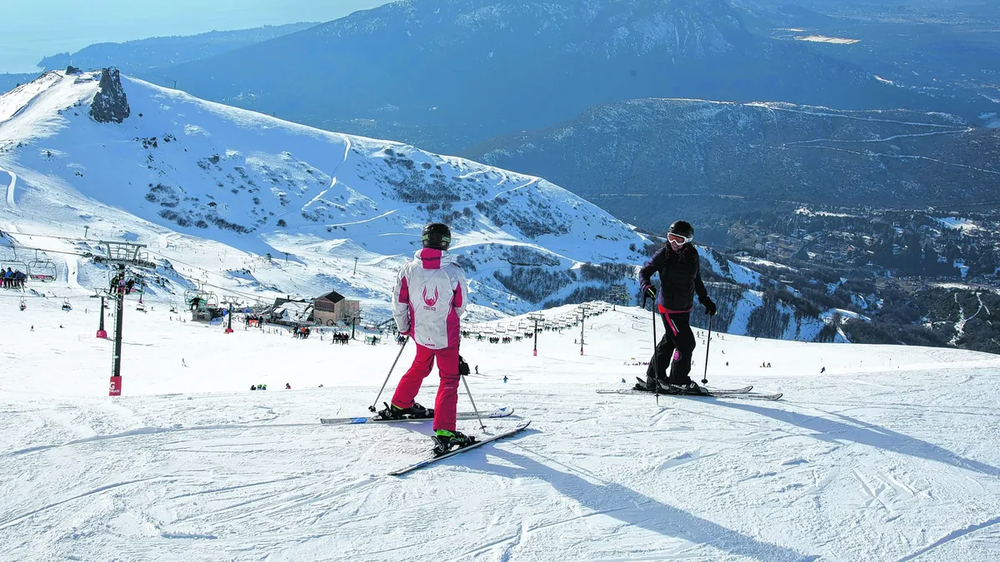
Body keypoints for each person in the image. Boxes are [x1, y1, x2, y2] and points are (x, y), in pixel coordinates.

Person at [378, 222, 471, 455]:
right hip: (446, 334)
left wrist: (405, 327)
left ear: (424, 240)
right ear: (446, 243)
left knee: (420, 365)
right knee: (449, 378)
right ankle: (445, 432)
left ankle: (401, 404)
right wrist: (448, 321)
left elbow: (399, 302)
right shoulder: (453, 271)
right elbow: (460, 305)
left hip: (420, 332)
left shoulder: (408, 269)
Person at [636, 220, 717, 395]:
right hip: (669, 309)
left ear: (687, 241)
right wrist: (646, 287)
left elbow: (696, 280)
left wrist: (706, 300)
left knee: (670, 341)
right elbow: (644, 272)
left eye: (678, 240)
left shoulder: (693, 255)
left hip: (684, 308)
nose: (673, 243)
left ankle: (654, 377)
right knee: (686, 344)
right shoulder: (663, 255)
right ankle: (679, 381)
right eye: (671, 238)